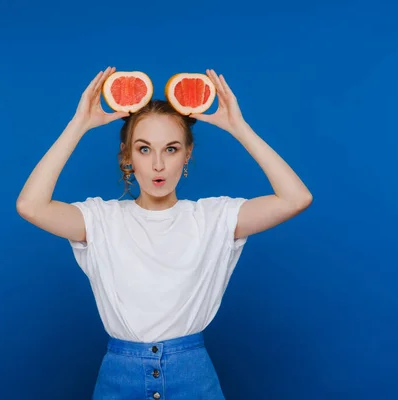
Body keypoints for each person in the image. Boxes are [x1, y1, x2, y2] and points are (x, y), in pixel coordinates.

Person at [16, 66, 313, 399]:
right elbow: (31, 205)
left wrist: (238, 128)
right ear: (127, 158)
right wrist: (78, 125)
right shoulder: (100, 220)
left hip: (193, 379)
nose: (158, 165)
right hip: (118, 380)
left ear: (187, 156)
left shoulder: (214, 217)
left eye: (171, 149)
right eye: (144, 149)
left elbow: (296, 197)